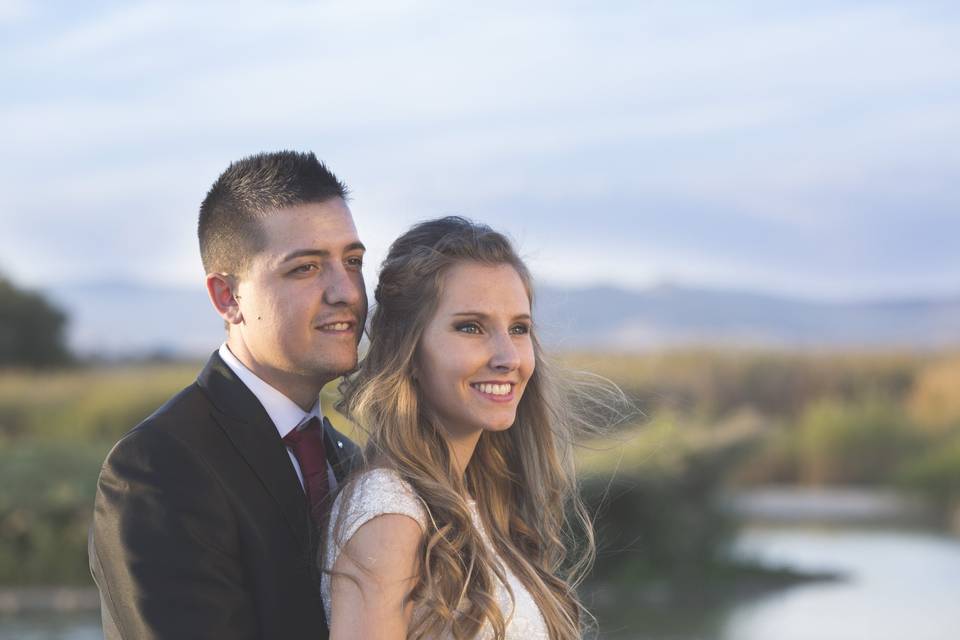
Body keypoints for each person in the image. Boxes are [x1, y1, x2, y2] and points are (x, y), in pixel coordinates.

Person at [89, 151, 364, 639]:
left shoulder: (351, 461)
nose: (346, 291)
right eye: (305, 268)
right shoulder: (158, 467)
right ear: (227, 297)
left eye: (353, 261)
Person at [322, 217, 598, 640]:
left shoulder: (471, 500)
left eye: (519, 329)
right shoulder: (390, 513)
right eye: (471, 327)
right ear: (409, 351)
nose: (508, 356)